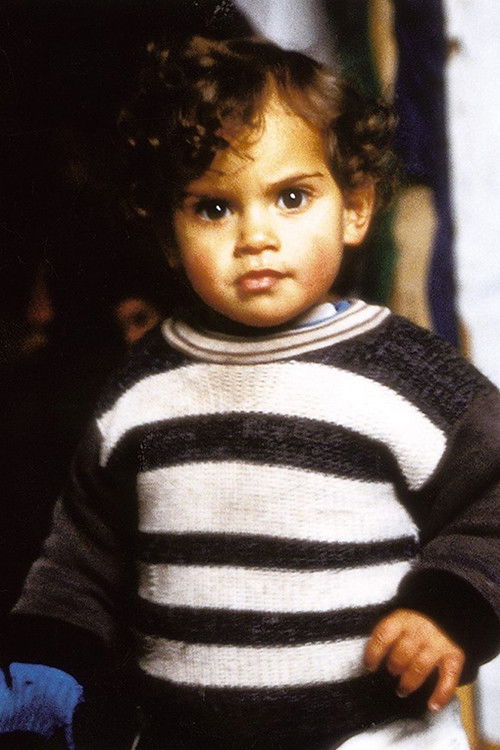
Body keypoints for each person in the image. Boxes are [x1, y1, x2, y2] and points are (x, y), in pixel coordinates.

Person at [1, 36, 499, 750]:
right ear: (169, 235)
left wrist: (452, 608)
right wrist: (48, 658)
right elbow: (83, 553)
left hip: (376, 735)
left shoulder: (409, 373)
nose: (255, 235)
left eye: (291, 197)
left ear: (355, 208)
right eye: (213, 208)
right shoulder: (144, 386)